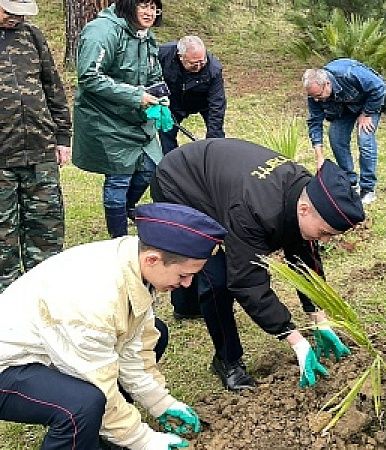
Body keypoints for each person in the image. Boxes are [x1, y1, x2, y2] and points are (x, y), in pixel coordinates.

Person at [0, 202, 227, 450]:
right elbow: (97, 380)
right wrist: (144, 441)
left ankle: (101, 433)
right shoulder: (93, 300)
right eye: (183, 275)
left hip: (55, 349)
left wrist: (161, 403)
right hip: (8, 366)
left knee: (157, 333)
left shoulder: (134, 263)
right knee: (82, 405)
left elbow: (134, 347)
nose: (187, 284)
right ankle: (86, 429)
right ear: (152, 259)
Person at [150, 138, 365, 391]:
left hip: (221, 180)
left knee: (295, 244)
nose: (325, 240)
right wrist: (295, 340)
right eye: (325, 232)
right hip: (180, 182)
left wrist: (318, 317)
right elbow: (247, 282)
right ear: (305, 209)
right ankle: (227, 360)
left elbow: (305, 260)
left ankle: (185, 306)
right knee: (216, 278)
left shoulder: (305, 191)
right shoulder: (255, 211)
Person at [72, 0, 165, 239]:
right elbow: (89, 77)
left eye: (153, 8)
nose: (149, 13)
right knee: (119, 177)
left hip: (136, 118)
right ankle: (119, 239)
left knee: (150, 168)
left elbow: (154, 73)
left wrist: (161, 94)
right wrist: (135, 96)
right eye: (143, 6)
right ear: (129, 5)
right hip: (105, 118)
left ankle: (124, 210)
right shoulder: (102, 31)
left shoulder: (145, 35)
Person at [0, 0, 71, 292]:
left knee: (47, 227)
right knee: (3, 235)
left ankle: (45, 292)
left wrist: (63, 137)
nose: (16, 18)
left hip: (40, 149)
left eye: (21, 13)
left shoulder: (32, 35)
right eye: (10, 12)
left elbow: (52, 85)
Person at [303, 58, 386, 205]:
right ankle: (350, 182)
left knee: (365, 139)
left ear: (327, 84)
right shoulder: (314, 95)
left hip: (368, 103)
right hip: (343, 109)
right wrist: (319, 157)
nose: (316, 100)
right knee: (336, 139)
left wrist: (367, 113)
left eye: (319, 96)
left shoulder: (348, 73)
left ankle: (368, 188)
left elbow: (379, 87)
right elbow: (315, 122)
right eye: (313, 97)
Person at [157, 35, 226, 154]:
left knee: (216, 134)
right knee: (166, 132)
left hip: (203, 101)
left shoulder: (214, 69)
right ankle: (171, 161)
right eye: (194, 63)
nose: (198, 66)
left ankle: (216, 157)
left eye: (202, 62)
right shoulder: (163, 54)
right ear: (181, 56)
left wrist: (213, 138)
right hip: (173, 100)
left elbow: (217, 104)